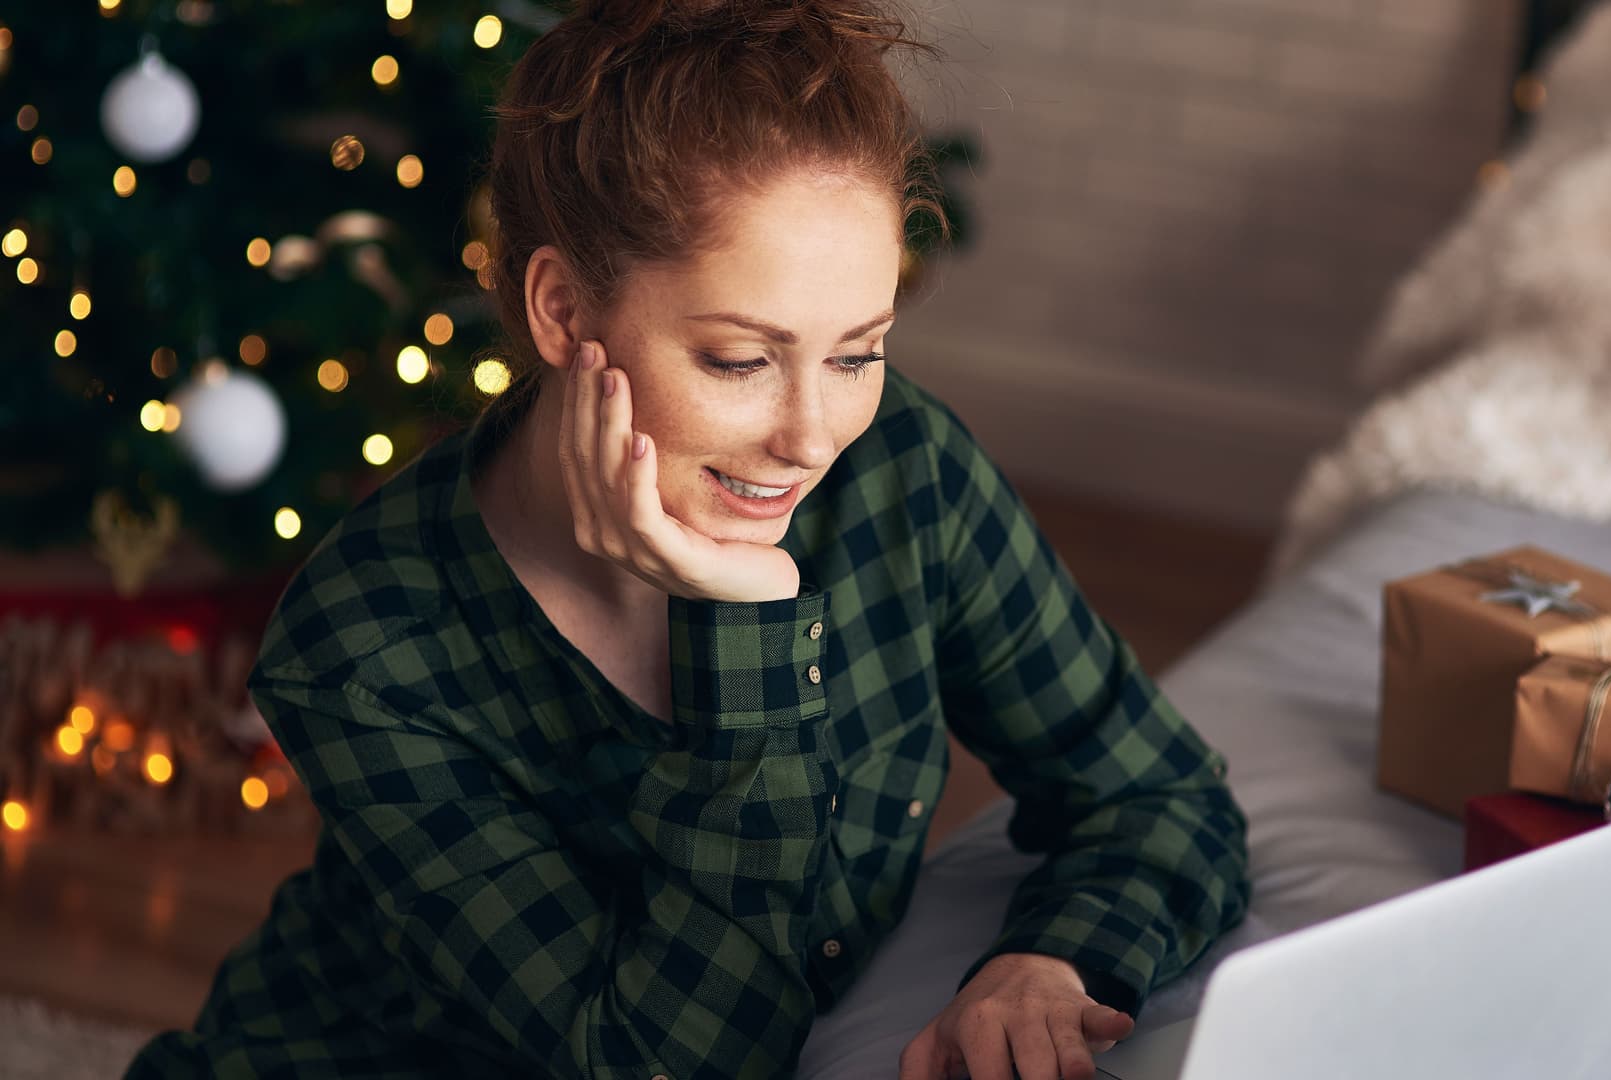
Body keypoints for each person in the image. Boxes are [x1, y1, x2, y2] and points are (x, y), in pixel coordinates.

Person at [124, 1, 1249, 1077]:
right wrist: (745, 622)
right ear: (563, 312)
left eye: (856, 351)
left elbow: (1161, 798)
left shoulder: (901, 470)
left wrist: (1042, 964)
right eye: (737, 361)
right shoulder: (366, 645)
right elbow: (674, 1061)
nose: (812, 435)